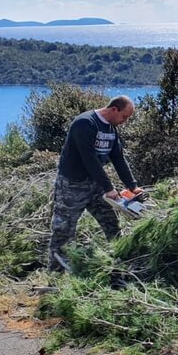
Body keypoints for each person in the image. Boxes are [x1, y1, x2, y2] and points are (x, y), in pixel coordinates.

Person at [47, 95, 143, 272]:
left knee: (111, 224)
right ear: (114, 109)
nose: (125, 121)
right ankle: (54, 277)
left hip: (95, 186)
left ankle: (117, 267)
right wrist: (109, 188)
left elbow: (118, 158)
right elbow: (89, 159)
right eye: (125, 116)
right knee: (63, 232)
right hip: (72, 186)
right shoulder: (85, 123)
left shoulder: (111, 129)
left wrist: (132, 186)